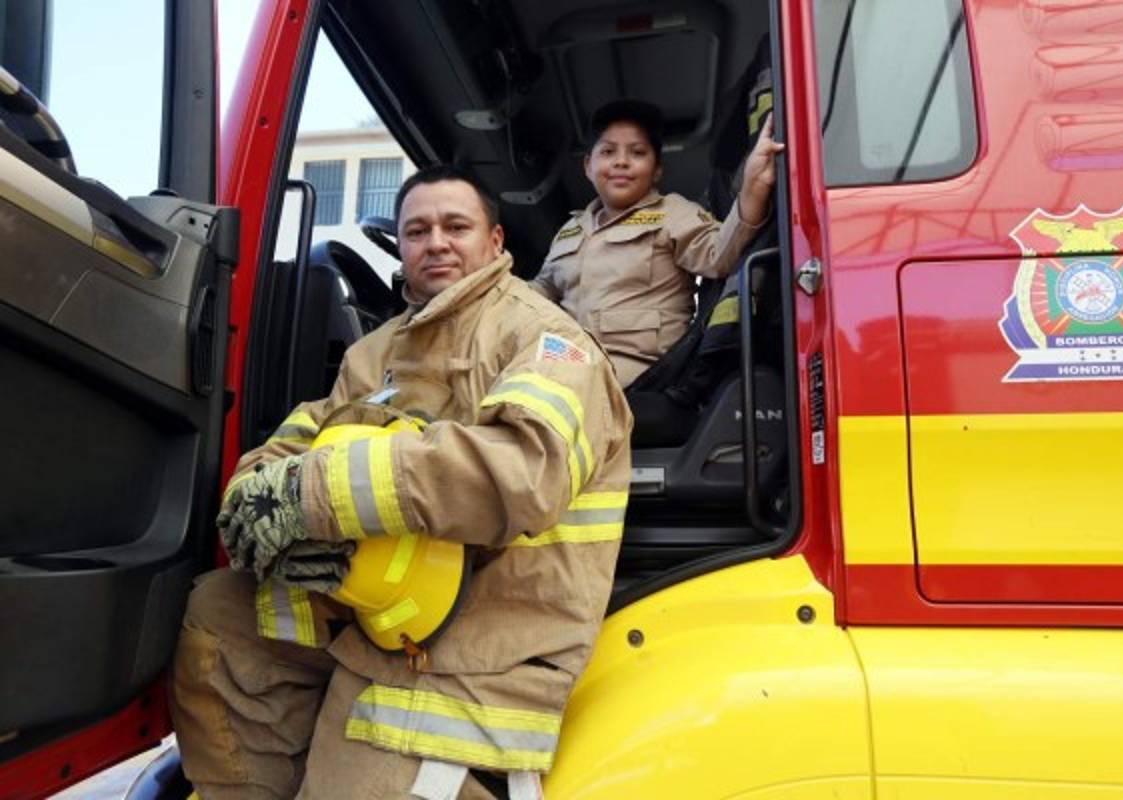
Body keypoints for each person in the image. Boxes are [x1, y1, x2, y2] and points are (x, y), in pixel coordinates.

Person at [169, 165, 633, 800]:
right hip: (379, 610)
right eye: (417, 230)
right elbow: (293, 445)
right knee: (221, 610)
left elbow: (524, 472)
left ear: (495, 242)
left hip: (488, 635)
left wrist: (317, 497)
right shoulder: (376, 353)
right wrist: (262, 501)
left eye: (455, 226)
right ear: (403, 248)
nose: (436, 241)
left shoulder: (548, 340)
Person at [529, 99, 784, 386]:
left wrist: (753, 186)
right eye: (608, 151)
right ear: (589, 165)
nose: (621, 161)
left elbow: (719, 255)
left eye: (637, 152)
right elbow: (540, 292)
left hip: (639, 373)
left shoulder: (672, 213)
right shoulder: (570, 229)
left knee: (534, 396)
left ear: (657, 169)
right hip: (568, 360)